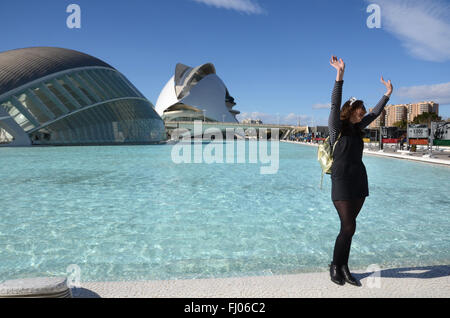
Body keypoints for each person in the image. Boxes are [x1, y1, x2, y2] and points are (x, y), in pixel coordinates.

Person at [328, 56, 393, 286]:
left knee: (350, 228)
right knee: (348, 226)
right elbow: (335, 104)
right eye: (361, 108)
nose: (364, 110)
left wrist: (387, 94)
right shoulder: (337, 128)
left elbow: (375, 114)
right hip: (342, 181)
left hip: (359, 181)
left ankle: (343, 266)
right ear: (352, 110)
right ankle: (336, 266)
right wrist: (340, 75)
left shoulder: (357, 128)